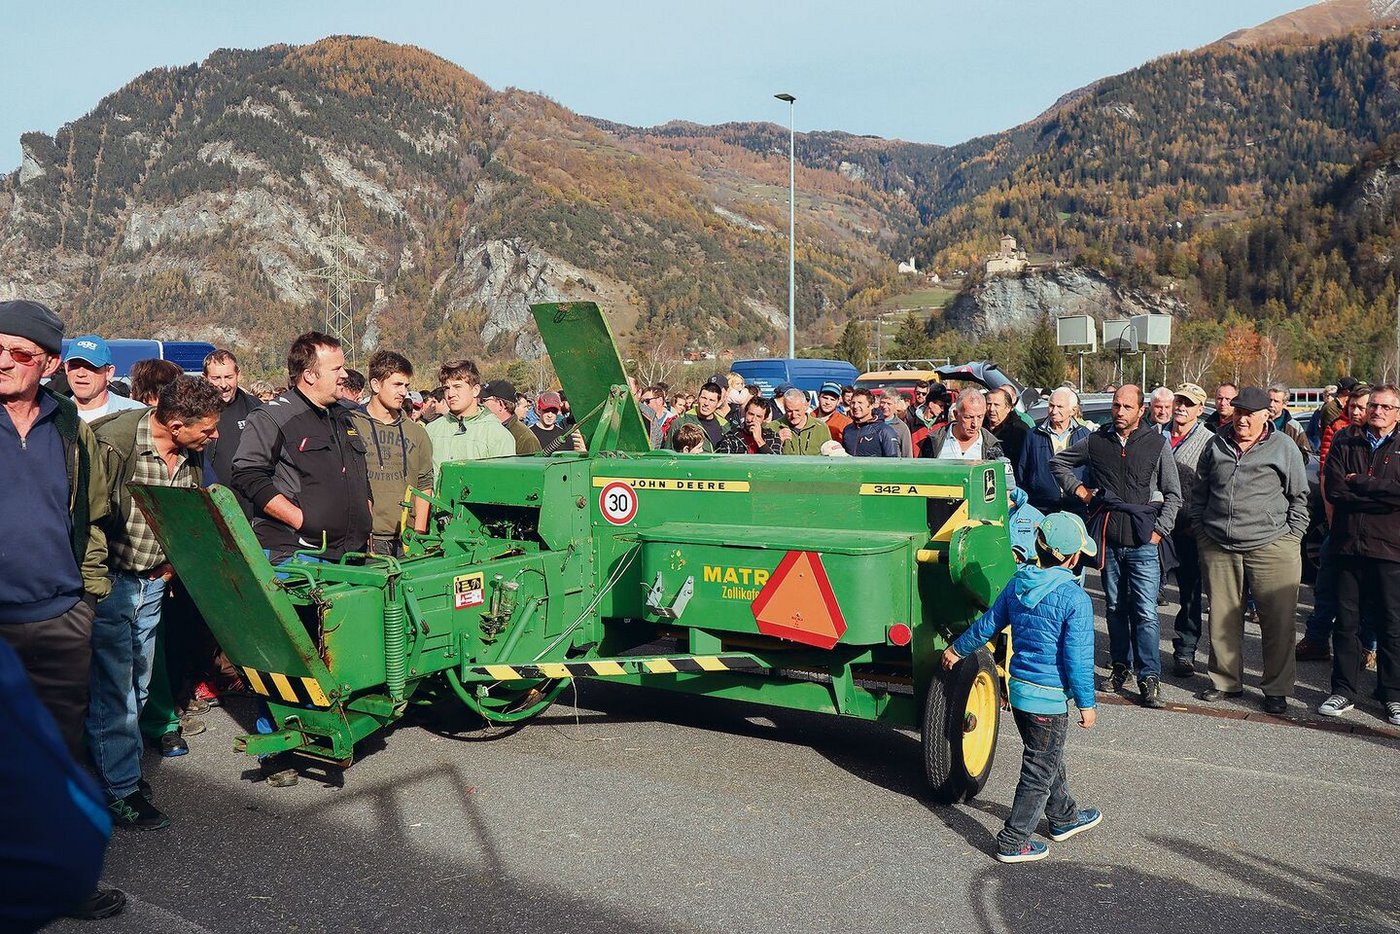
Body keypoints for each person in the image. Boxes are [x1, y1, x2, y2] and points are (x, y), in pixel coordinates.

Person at [0, 299, 125, 921]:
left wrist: (86, 600)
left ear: (47, 363)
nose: (2, 361)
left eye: (17, 352)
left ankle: (63, 882)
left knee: (58, 752)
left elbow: (94, 519)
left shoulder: (72, 434)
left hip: (57, 620)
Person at [88, 376, 223, 828]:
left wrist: (171, 566)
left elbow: (183, 513)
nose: (214, 436)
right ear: (177, 423)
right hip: (111, 582)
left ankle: (111, 767)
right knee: (115, 690)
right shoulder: (114, 442)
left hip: (152, 584)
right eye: (206, 429)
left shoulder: (190, 454)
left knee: (140, 684)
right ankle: (118, 789)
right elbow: (85, 517)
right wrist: (96, 581)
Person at [942, 511, 1101, 864]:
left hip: (1020, 694)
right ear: (1073, 558)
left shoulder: (1017, 583)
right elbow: (1077, 658)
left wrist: (957, 649)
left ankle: (1063, 817)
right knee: (1039, 770)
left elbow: (988, 625)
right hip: (1049, 700)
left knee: (1044, 756)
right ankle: (1014, 840)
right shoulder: (1075, 599)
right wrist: (1087, 704)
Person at [1051, 385, 1181, 708]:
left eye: (1126, 406)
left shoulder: (1156, 443)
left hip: (1143, 542)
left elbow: (1174, 494)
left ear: (1141, 410)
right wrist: (1080, 492)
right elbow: (1059, 463)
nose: (1119, 411)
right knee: (1114, 608)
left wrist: (1159, 532)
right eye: (1115, 405)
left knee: (1146, 613)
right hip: (1108, 540)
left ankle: (1149, 676)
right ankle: (1120, 666)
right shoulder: (1097, 441)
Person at [1190, 386, 1308, 714]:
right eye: (1239, 412)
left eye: (1250, 414)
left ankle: (1276, 689)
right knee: (1223, 619)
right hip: (1219, 545)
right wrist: (1203, 534)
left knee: (1278, 622)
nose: (1242, 419)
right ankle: (1225, 681)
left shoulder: (1284, 446)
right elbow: (1199, 493)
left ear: (1265, 416)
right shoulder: (1216, 443)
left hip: (1272, 545)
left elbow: (1300, 497)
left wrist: (1291, 538)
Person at [232, 332, 373, 563]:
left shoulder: (344, 417)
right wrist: (302, 520)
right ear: (309, 375)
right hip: (299, 554)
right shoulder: (273, 417)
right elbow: (247, 475)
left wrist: (365, 513)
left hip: (350, 555)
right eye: (336, 369)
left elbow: (359, 475)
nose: (344, 375)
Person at [1318, 384, 1400, 726]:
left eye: (1385, 406)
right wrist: (1380, 493)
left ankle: (1392, 694)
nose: (1377, 411)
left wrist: (1360, 483)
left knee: (1392, 624)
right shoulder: (1345, 441)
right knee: (1346, 622)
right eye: (1374, 406)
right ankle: (1344, 690)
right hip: (1348, 546)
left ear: (1398, 412)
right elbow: (1336, 489)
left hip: (1389, 549)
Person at [347, 351, 435, 557]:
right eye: (397, 385)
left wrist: (419, 535)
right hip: (367, 539)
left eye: (406, 386)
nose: (403, 392)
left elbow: (425, 484)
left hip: (406, 539)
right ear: (376, 385)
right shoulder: (351, 425)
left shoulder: (417, 432)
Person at [1163, 383, 1213, 676]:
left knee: (1190, 594)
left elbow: (1212, 486)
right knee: (1144, 593)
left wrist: (1199, 523)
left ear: (1199, 410)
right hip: (1156, 528)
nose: (1181, 407)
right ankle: (1136, 653)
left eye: (1188, 403)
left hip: (1187, 530)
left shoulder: (1208, 441)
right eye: (1179, 400)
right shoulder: (1156, 434)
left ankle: (1185, 650)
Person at [423, 359, 515, 477]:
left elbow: (504, 483)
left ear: (475, 390)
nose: (450, 394)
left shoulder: (497, 435)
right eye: (446, 388)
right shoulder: (431, 430)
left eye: (457, 386)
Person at [202, 348, 262, 516]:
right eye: (216, 378)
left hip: (252, 506)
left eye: (228, 377)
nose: (223, 385)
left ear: (238, 375)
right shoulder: (196, 413)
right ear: (205, 378)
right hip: (211, 504)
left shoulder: (256, 408)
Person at [1018, 387, 1090, 513]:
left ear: (1072, 411)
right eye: (1051, 406)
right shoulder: (1033, 435)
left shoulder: (1085, 436)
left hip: (1076, 508)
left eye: (1060, 407)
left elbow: (1092, 471)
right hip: (1040, 508)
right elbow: (1022, 473)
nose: (1054, 411)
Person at [62, 335, 146, 422]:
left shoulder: (136, 414)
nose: (81, 374)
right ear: (66, 369)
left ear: (109, 372)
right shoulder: (54, 414)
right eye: (74, 366)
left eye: (90, 367)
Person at [921, 391, 1006, 464]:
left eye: (980, 417)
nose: (975, 424)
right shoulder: (934, 442)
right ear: (956, 414)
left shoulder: (992, 447)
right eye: (968, 417)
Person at [480, 379, 542, 455]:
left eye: (484, 400)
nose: (481, 405)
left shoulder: (525, 438)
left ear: (501, 404)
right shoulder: (486, 429)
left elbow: (533, 465)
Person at [666, 381, 727, 451]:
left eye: (712, 400)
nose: (706, 403)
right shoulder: (681, 423)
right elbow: (669, 454)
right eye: (703, 398)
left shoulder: (724, 426)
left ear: (718, 403)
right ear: (698, 398)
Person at [842, 388, 900, 457]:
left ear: (871, 405)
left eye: (860, 403)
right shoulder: (848, 430)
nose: (855, 406)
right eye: (853, 403)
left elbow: (892, 462)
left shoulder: (884, 431)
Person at [717, 396, 784, 454]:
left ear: (764, 419)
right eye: (751, 414)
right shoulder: (731, 437)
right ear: (745, 413)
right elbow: (725, 463)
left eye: (758, 416)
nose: (753, 419)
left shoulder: (773, 437)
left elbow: (776, 463)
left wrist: (759, 440)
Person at [986, 386, 1029, 473]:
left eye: (996, 405)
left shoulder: (1020, 430)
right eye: (989, 404)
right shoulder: (978, 426)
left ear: (1008, 408)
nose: (991, 409)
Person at [773, 388, 828, 455]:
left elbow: (830, 457)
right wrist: (777, 441)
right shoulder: (773, 427)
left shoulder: (821, 427)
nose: (794, 415)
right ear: (784, 408)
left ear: (806, 406)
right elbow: (766, 459)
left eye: (797, 410)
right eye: (789, 411)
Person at [1267, 383, 1313, 463]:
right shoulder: (1257, 422)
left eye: (1276, 401)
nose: (1271, 404)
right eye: (1270, 400)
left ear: (1285, 404)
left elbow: (1306, 456)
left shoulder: (1294, 427)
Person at [877, 388, 914, 457]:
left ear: (896, 405)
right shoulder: (872, 423)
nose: (885, 406)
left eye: (889, 403)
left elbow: (907, 455)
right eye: (883, 402)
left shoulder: (902, 428)